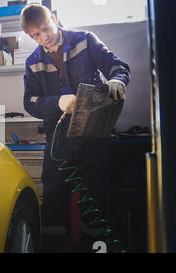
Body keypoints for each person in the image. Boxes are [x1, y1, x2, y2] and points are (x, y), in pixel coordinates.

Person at [20, 4, 131, 252]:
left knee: (96, 198)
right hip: (59, 140)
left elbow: (118, 66)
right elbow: (30, 102)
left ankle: (97, 247)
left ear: (54, 19)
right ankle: (54, 247)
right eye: (36, 34)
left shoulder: (85, 41)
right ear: (30, 36)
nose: (44, 36)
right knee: (54, 199)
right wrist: (58, 102)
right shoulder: (33, 62)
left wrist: (117, 80)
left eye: (46, 28)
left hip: (94, 135)